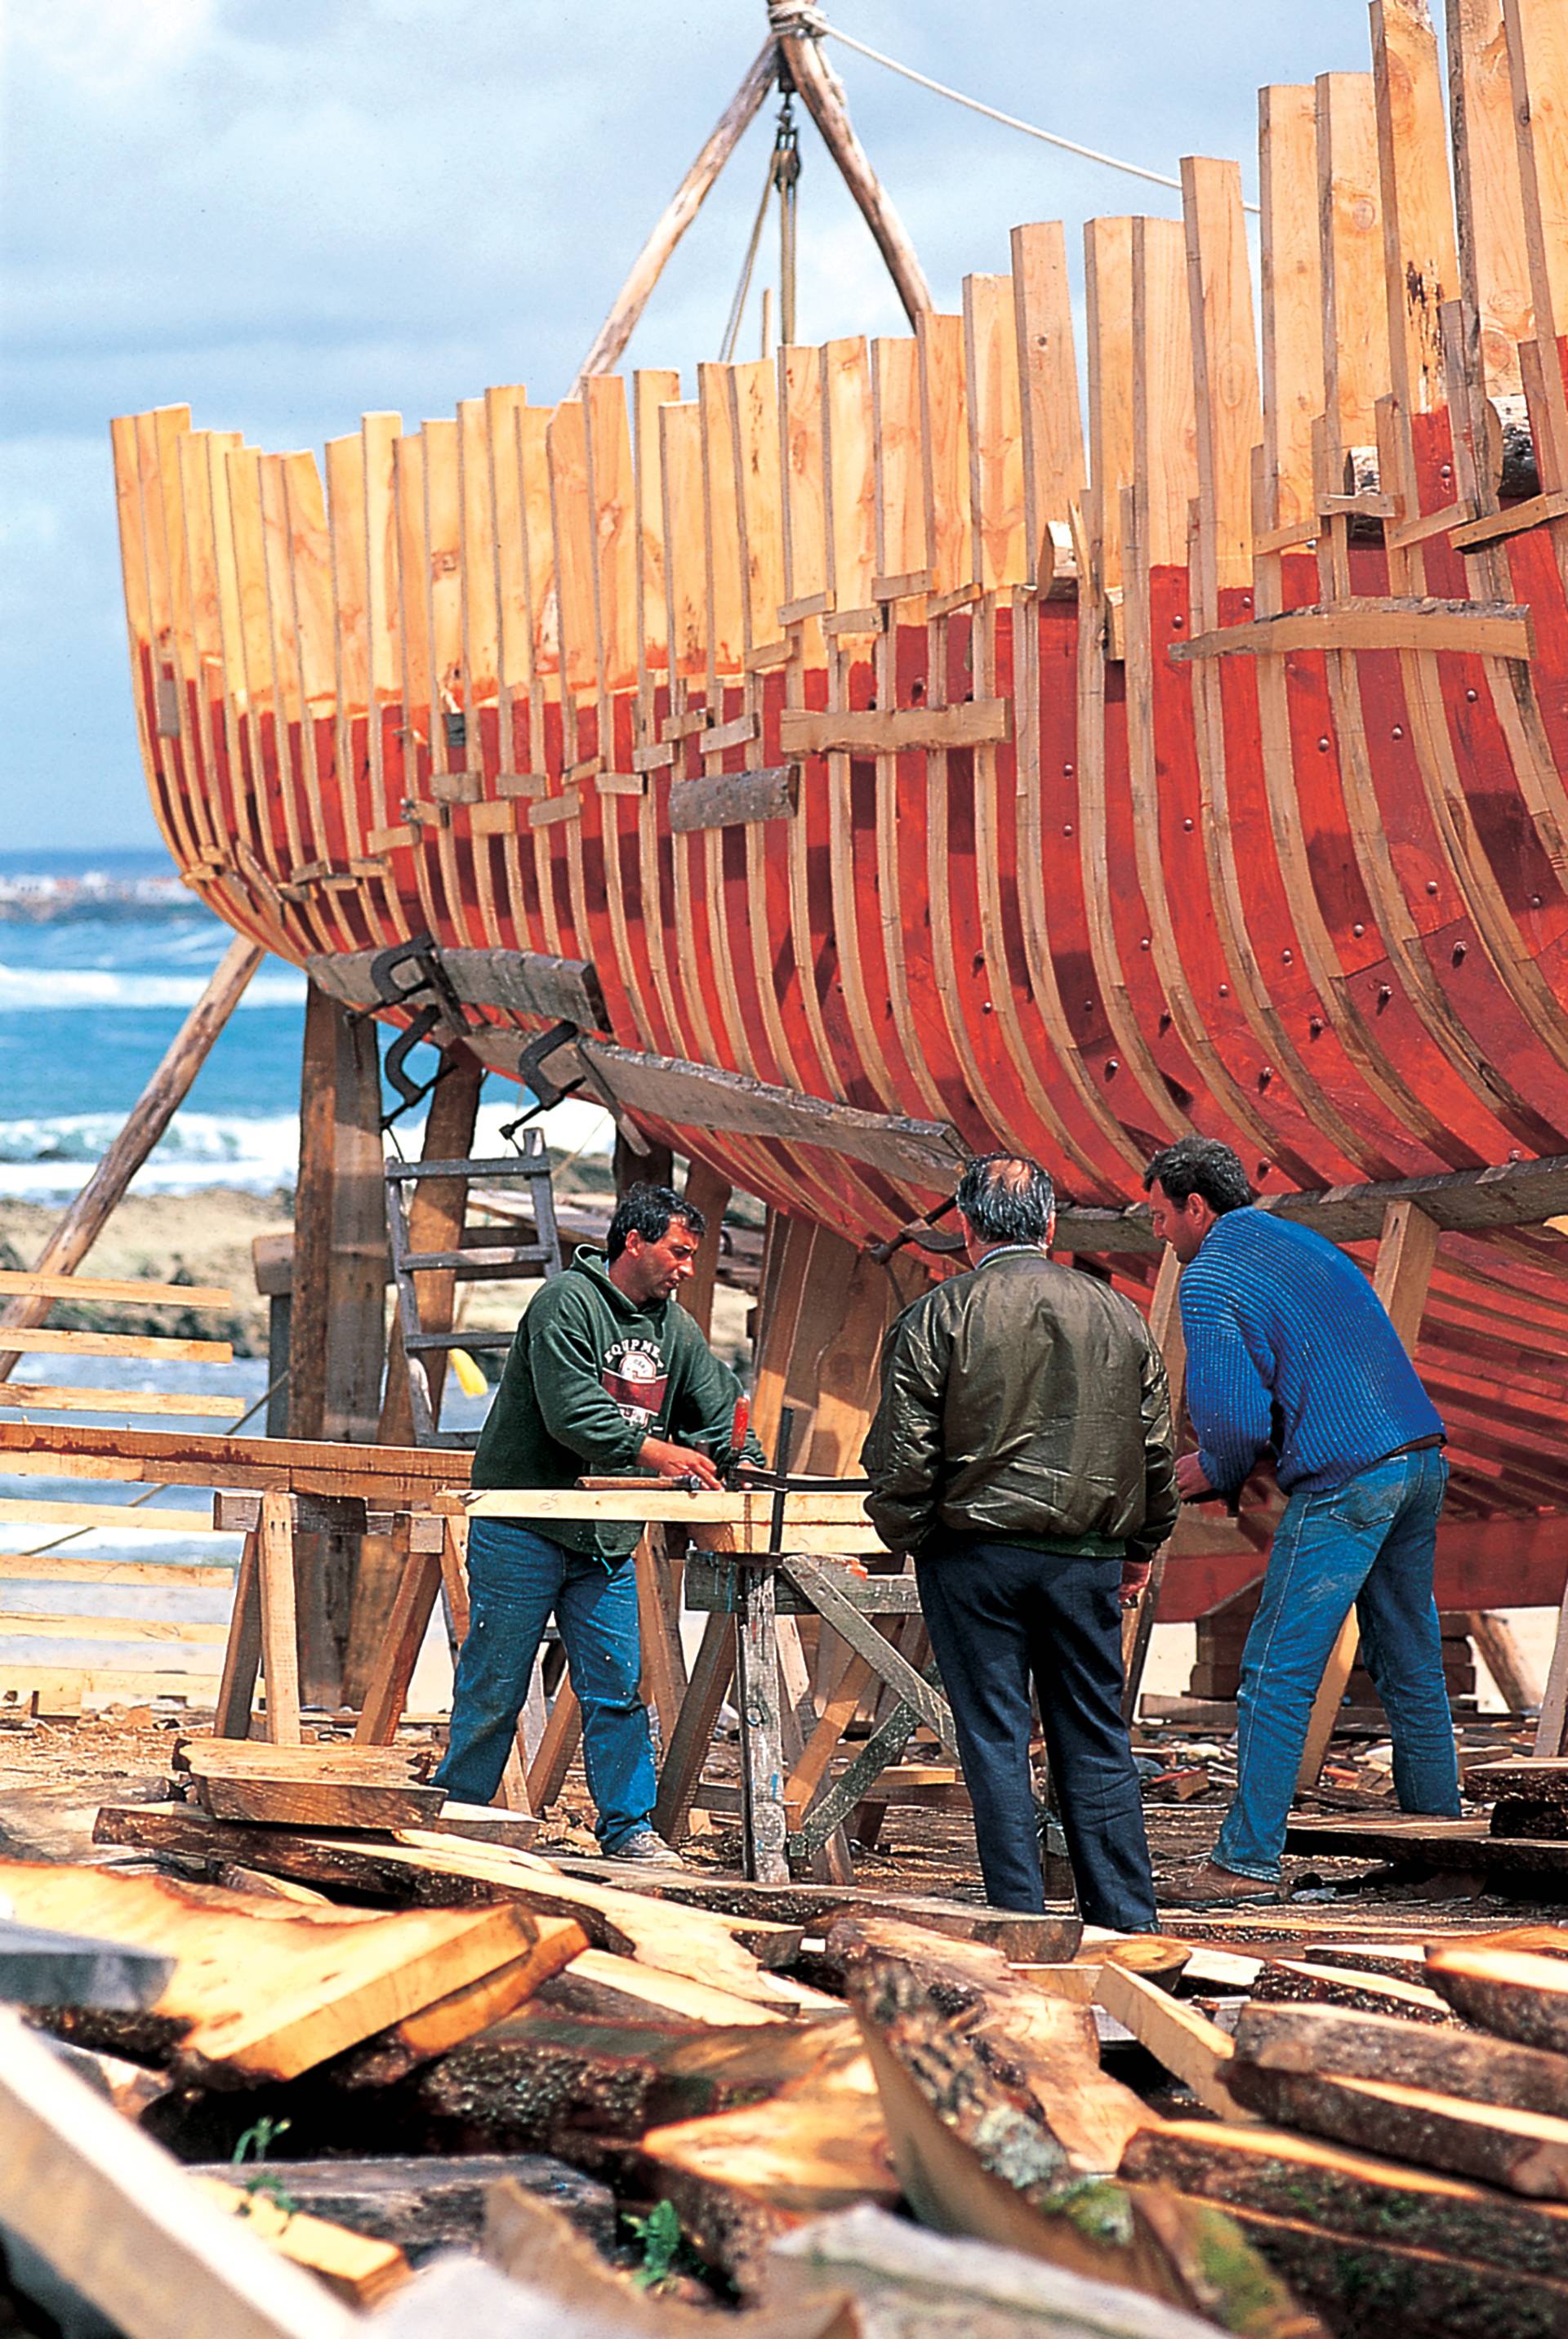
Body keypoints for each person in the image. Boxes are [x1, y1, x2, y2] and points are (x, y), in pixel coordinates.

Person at [1143, 1135, 1461, 1908]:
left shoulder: (1212, 1271)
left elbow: (1234, 1419)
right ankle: (1441, 1848)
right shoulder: (1296, 1239)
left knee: (1275, 1671)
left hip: (1348, 1475)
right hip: (1419, 1457)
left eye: (1159, 1216)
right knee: (1410, 1661)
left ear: (1196, 1207)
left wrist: (1209, 1470)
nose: (1155, 1233)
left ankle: (1245, 1862)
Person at [860, 1152, 1177, 1926]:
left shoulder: (938, 1314)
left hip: (975, 1555)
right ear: (1051, 1225)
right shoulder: (1116, 1313)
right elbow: (1155, 1448)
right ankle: (1127, 1920)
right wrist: (1140, 1546)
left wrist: (914, 1537)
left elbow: (902, 1456)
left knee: (996, 1739)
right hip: (1087, 1558)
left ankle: (1021, 1918)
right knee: (1095, 1735)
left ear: (965, 1227)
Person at [434, 1181, 764, 1864]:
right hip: (526, 1523)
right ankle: (458, 1816)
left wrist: (746, 1463)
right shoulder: (565, 1303)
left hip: (606, 1537)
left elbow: (716, 1404)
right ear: (633, 1242)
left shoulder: (676, 1327)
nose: (688, 1268)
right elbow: (573, 1413)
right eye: (678, 1251)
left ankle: (629, 1831)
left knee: (617, 1688)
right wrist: (659, 1452)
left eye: (694, 1255)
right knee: (495, 1682)